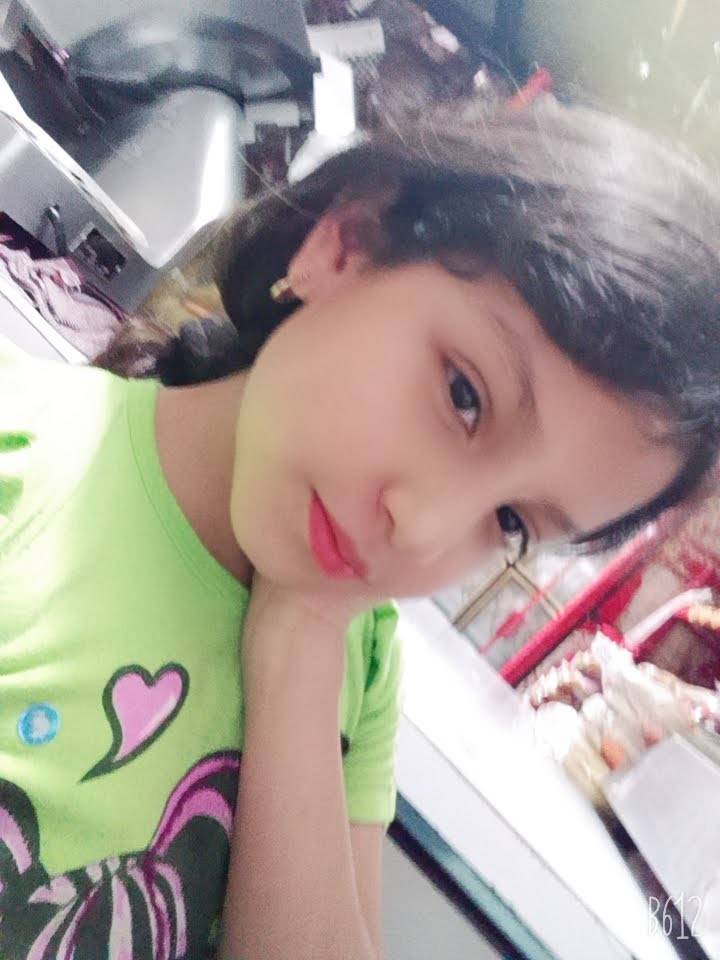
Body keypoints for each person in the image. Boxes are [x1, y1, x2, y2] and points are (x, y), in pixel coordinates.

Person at [1, 97, 719, 960]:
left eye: (510, 522)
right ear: (343, 244)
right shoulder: (25, 444)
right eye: (463, 396)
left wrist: (298, 642)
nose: (423, 529)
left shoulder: (361, 667)